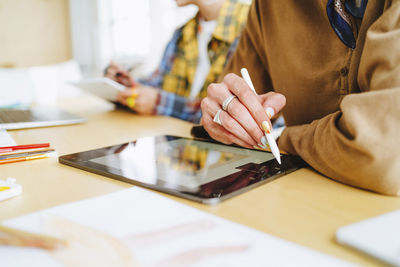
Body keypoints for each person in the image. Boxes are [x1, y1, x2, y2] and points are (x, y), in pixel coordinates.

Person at [200, 0, 400, 196]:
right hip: (297, 203)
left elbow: (384, 151)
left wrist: (279, 138)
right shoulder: (269, 6)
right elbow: (227, 112)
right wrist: (224, 117)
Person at [105, 0, 249, 123]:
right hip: (184, 148)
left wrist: (159, 102)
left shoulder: (250, 27)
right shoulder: (183, 32)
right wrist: (128, 85)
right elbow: (160, 82)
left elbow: (230, 111)